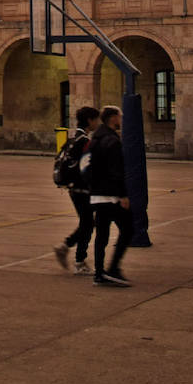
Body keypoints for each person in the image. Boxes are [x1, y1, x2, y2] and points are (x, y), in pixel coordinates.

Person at [53, 105, 100, 274]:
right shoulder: (85, 141)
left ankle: (73, 253)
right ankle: (74, 255)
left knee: (87, 223)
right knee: (88, 223)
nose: (97, 123)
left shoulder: (73, 138)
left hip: (73, 187)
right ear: (90, 120)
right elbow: (87, 166)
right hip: (82, 188)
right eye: (96, 119)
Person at [90, 106, 133, 286]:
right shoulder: (112, 141)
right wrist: (122, 195)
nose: (121, 119)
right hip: (110, 195)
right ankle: (113, 268)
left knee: (101, 235)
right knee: (128, 229)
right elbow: (117, 170)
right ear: (113, 118)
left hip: (97, 195)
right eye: (119, 116)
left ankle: (99, 273)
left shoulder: (96, 139)